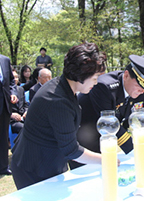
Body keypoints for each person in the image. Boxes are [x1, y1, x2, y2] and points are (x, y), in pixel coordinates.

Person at [11, 43, 106, 190]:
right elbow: (71, 150)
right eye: (95, 77)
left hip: (48, 161)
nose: (96, 82)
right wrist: (106, 159)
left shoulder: (64, 87)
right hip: (33, 167)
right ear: (82, 74)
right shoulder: (57, 99)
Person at [69, 55, 144, 169]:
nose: (142, 91)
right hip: (85, 137)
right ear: (126, 75)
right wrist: (140, 151)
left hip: (107, 140)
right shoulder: (105, 87)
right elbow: (111, 124)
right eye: (139, 86)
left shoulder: (139, 90)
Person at [0, 54, 18, 176]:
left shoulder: (4, 60)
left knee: (3, 137)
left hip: (4, 105)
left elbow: (11, 81)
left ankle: (3, 167)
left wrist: (13, 92)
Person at [10, 70, 28, 135]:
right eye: (13, 77)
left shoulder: (20, 89)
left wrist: (26, 111)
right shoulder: (3, 91)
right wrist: (11, 115)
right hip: (11, 121)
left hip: (22, 118)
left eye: (16, 77)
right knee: (24, 129)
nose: (15, 79)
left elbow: (25, 105)